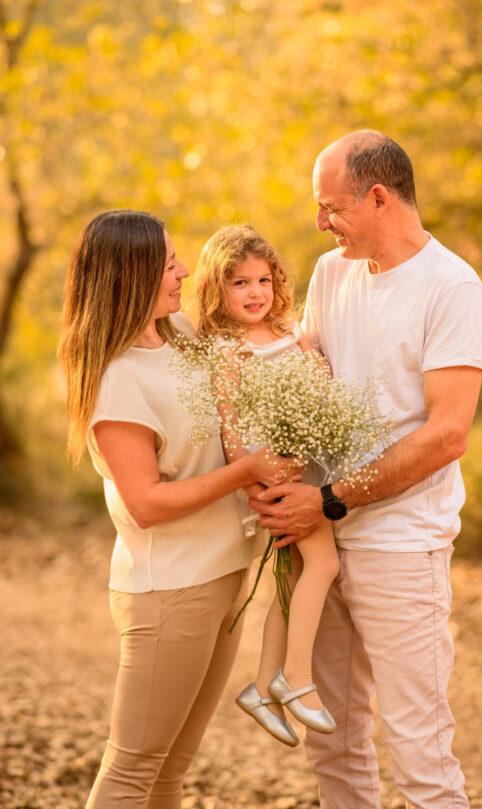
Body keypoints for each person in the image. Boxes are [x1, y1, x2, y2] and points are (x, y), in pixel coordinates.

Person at [249, 131, 482, 809]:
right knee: (335, 742)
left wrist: (328, 499)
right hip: (319, 539)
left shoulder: (452, 287)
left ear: (378, 197)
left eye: (331, 207)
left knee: (418, 747)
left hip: (401, 544)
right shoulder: (333, 273)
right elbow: (306, 378)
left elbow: (446, 434)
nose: (320, 223)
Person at [58, 209, 301, 809]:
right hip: (172, 592)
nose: (185, 271)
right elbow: (145, 504)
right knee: (133, 770)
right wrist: (246, 471)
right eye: (169, 263)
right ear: (132, 273)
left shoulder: (184, 337)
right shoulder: (116, 381)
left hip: (222, 579)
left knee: (171, 771)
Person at [194, 224, 340, 747]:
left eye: (263, 280)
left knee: (292, 580)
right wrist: (257, 488)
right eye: (239, 283)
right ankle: (295, 678)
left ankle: (260, 687)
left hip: (305, 470)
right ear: (216, 290)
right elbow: (233, 430)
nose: (255, 293)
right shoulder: (229, 350)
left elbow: (321, 379)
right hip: (273, 480)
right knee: (325, 564)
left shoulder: (288, 331)